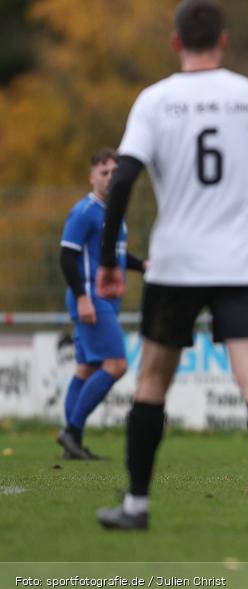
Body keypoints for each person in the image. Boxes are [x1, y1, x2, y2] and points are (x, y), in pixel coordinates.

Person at [94, 0, 248, 533]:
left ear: (176, 42)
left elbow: (122, 180)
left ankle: (137, 505)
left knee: (153, 381)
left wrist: (108, 260)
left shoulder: (155, 100)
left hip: (176, 264)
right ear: (223, 40)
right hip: (243, 264)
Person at [57, 148, 147, 460]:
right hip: (91, 298)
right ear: (92, 177)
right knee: (116, 365)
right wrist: (83, 298)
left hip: (104, 299)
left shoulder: (113, 214)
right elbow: (67, 257)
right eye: (104, 172)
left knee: (87, 368)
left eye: (114, 172)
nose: (110, 178)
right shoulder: (85, 211)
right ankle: (71, 432)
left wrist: (142, 265)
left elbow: (115, 256)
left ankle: (73, 442)